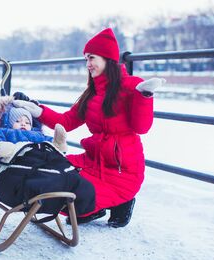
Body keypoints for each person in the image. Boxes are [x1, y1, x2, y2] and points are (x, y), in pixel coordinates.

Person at [13, 28, 165, 227]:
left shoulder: (132, 85)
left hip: (122, 171)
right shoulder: (92, 94)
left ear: (107, 59)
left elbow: (142, 127)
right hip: (93, 162)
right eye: (86, 59)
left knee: (71, 198)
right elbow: (66, 121)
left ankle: (123, 202)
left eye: (92, 58)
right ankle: (97, 208)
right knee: (54, 179)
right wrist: (37, 110)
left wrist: (144, 96)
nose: (88, 64)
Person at [0, 106, 95, 217]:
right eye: (17, 121)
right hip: (22, 167)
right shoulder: (3, 132)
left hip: (43, 164)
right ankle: (55, 189)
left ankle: (76, 193)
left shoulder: (38, 135)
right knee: (46, 181)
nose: (23, 124)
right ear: (8, 122)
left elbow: (50, 146)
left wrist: (57, 145)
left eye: (27, 122)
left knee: (76, 180)